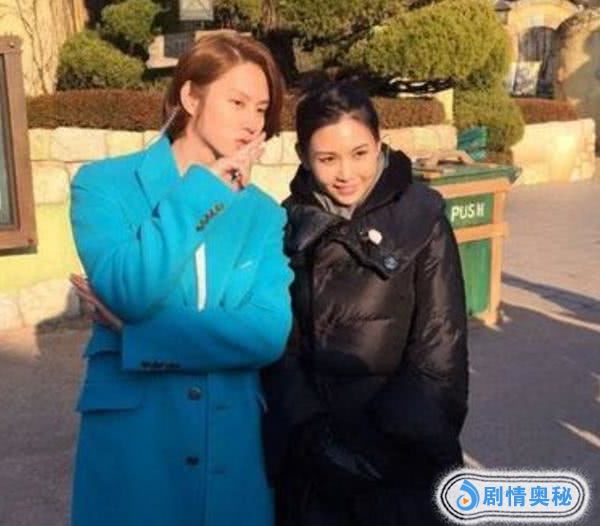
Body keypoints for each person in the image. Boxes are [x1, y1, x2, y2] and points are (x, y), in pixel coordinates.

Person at [68, 33, 293, 526]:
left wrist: (140, 336)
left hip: (230, 445)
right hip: (136, 446)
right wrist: (203, 189)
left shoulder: (263, 213)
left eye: (261, 109)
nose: (253, 122)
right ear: (191, 96)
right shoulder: (103, 184)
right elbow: (131, 292)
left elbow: (267, 333)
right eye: (237, 102)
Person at [262, 81, 469, 525]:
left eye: (359, 153)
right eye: (327, 159)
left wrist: (376, 447)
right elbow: (280, 346)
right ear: (303, 156)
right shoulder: (286, 224)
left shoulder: (422, 219)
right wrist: (314, 439)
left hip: (402, 461)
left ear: (379, 143)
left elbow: (439, 353)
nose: (346, 173)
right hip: (314, 464)